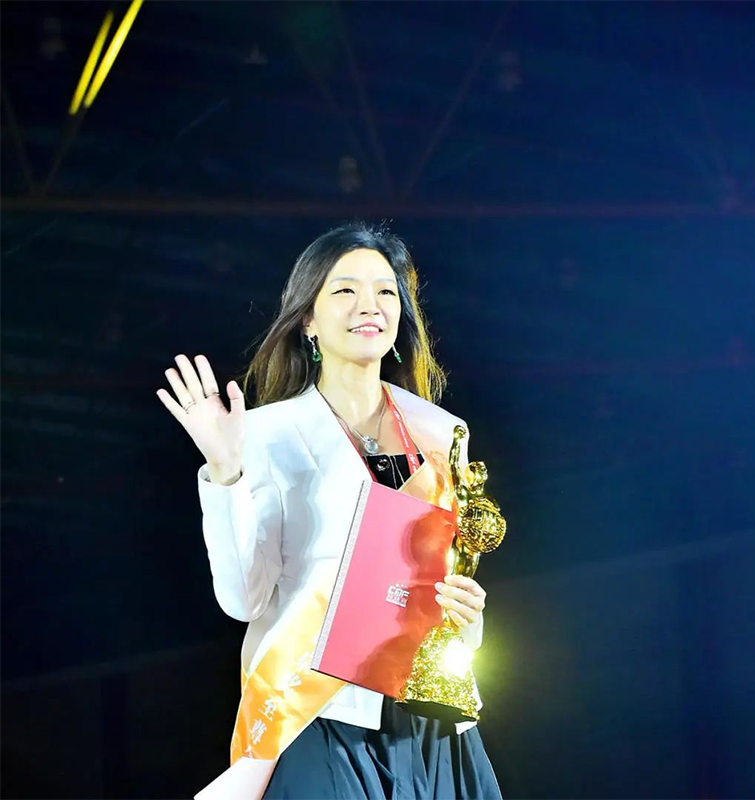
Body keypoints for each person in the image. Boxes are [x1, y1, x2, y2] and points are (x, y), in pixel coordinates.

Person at [156, 222, 502, 799]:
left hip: (429, 716)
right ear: (308, 320)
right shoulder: (264, 434)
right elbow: (243, 599)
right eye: (345, 290)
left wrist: (470, 616)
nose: (369, 305)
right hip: (320, 710)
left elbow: (447, 576)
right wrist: (224, 471)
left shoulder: (444, 434)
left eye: (385, 291)